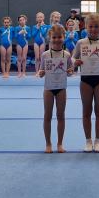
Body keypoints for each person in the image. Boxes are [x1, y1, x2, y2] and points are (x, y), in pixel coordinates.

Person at [72, 14, 99, 153]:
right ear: (86, 27)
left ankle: (98, 141)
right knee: (86, 111)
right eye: (91, 26)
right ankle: (88, 140)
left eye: (96, 26)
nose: (93, 29)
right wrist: (76, 62)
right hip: (86, 80)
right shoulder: (81, 43)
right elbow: (73, 58)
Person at [38, 23, 72, 153]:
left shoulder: (67, 55)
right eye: (54, 37)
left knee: (61, 116)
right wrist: (41, 73)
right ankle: (48, 143)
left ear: (64, 37)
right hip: (48, 88)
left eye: (59, 37)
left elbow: (70, 71)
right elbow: (41, 71)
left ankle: (59, 143)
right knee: (47, 115)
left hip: (61, 88)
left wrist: (70, 71)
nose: (57, 40)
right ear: (50, 38)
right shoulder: (45, 55)